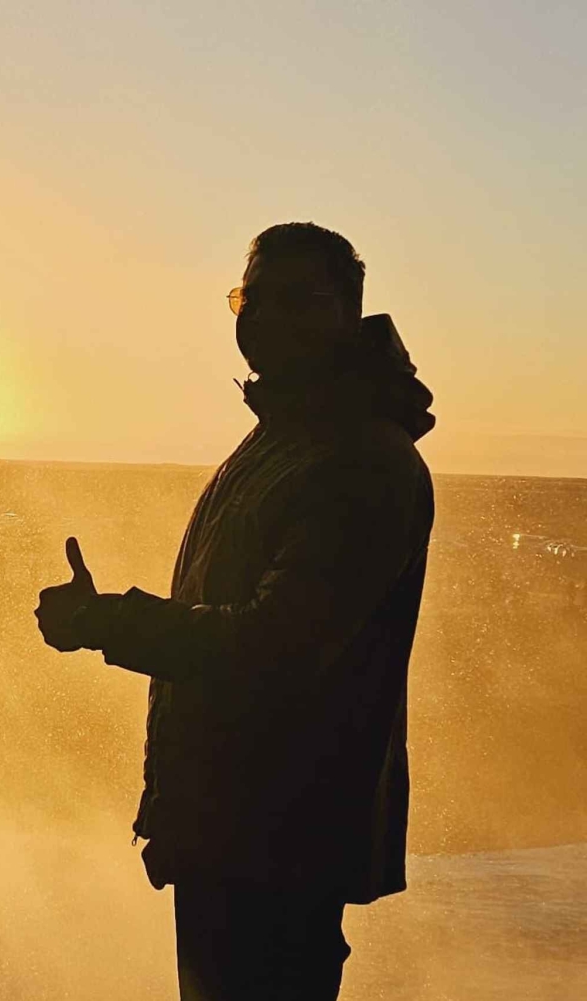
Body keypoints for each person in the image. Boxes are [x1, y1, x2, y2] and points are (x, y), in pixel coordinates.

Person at [35, 222, 436, 1000]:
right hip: (237, 830)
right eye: (252, 297)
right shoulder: (284, 442)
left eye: (297, 299)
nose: (265, 317)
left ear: (348, 312)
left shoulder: (359, 460)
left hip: (280, 838)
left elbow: (272, 644)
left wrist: (109, 622)